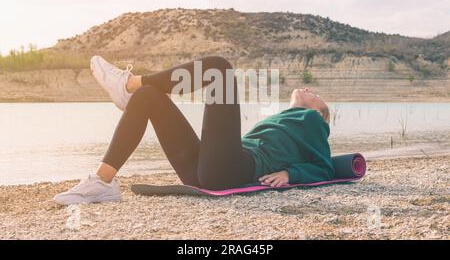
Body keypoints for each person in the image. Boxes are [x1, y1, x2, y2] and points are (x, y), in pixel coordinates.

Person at [54, 56, 334, 205]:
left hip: (231, 171)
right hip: (204, 171)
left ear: (320, 112)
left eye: (317, 96)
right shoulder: (285, 120)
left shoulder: (313, 122)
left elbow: (326, 167)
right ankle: (103, 182)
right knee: (150, 95)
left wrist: (291, 174)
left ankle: (127, 84)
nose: (310, 91)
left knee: (219, 69)